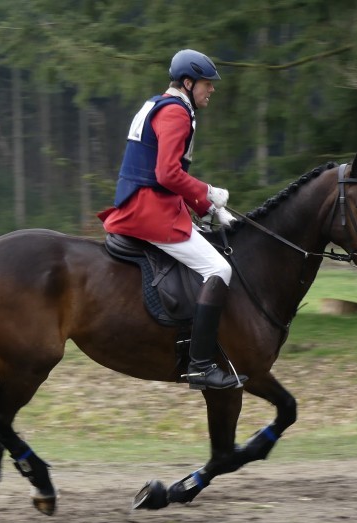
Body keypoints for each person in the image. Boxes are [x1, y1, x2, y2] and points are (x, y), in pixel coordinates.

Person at [98, 49, 247, 390]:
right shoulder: (177, 114)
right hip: (151, 211)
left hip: (148, 203)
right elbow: (167, 174)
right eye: (207, 84)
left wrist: (205, 207)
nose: (212, 91)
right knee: (219, 269)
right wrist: (208, 192)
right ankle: (200, 366)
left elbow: (163, 174)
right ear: (188, 82)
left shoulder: (160, 104)